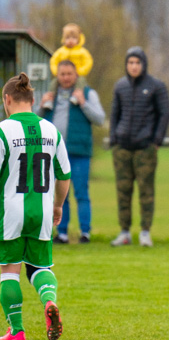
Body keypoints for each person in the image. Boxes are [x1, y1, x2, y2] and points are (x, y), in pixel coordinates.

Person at [0, 73, 71, 340]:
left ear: (7, 100)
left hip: (10, 213)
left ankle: (16, 331)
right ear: (32, 100)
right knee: (40, 267)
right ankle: (49, 301)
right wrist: (58, 206)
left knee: (8, 270)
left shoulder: (3, 131)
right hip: (41, 211)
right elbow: (64, 174)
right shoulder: (51, 130)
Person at [109, 46, 169, 247]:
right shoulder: (120, 86)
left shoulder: (156, 86)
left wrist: (156, 141)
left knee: (146, 192)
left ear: (143, 64)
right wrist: (114, 140)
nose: (134, 66)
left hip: (145, 149)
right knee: (123, 192)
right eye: (130, 63)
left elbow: (164, 114)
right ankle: (124, 232)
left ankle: (145, 232)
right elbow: (115, 114)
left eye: (137, 63)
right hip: (122, 148)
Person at [38, 60, 106, 244]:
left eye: (69, 74)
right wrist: (42, 106)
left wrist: (83, 103)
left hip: (79, 152)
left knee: (81, 193)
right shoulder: (51, 96)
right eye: (62, 74)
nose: (66, 78)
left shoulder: (87, 94)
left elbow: (100, 119)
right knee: (60, 195)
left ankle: (85, 232)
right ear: (57, 76)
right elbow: (36, 121)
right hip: (54, 154)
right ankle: (62, 233)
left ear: (76, 75)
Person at [46, 23, 93, 100]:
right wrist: (56, 72)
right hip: (62, 76)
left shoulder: (82, 52)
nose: (70, 40)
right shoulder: (60, 51)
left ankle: (76, 96)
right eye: (68, 38)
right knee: (53, 83)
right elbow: (53, 61)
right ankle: (50, 99)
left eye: (74, 38)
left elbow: (88, 62)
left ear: (79, 39)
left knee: (81, 82)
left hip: (77, 75)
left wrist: (80, 71)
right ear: (64, 39)